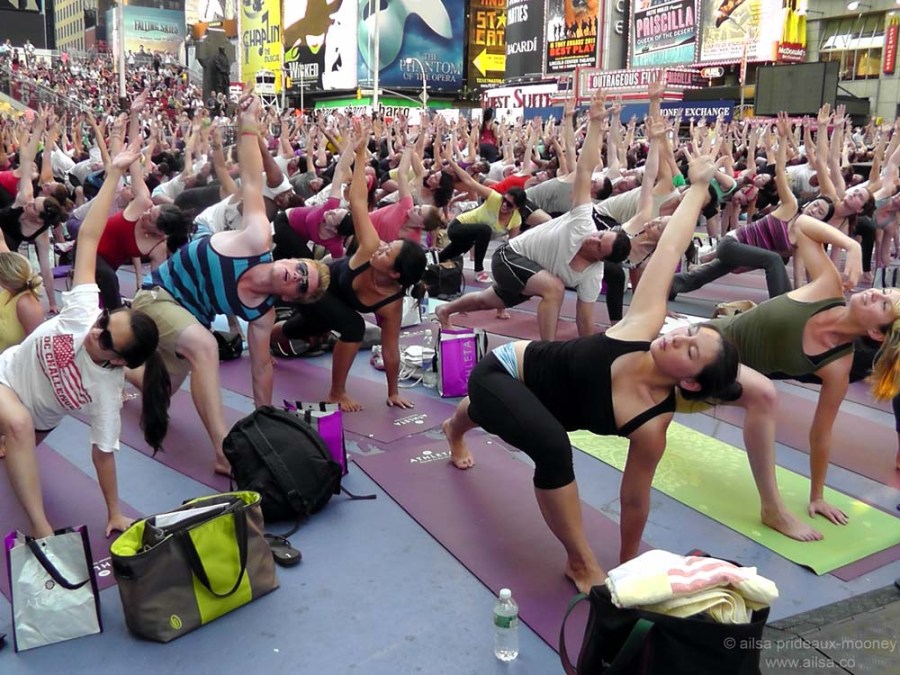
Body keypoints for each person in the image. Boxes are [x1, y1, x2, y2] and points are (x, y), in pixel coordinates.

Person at [441, 97, 742, 592]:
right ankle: (580, 562)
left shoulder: (653, 425)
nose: (676, 338)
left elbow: (634, 497)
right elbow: (670, 246)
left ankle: (456, 427)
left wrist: (629, 562)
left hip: (536, 400)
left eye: (689, 350)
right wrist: (698, 187)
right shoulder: (642, 326)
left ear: (690, 382)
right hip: (504, 370)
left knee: (506, 415)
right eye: (688, 333)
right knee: (551, 447)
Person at [130, 91, 330, 475]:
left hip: (188, 321)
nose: (296, 276)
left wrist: (266, 423)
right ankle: (223, 452)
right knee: (206, 347)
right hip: (156, 297)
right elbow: (252, 180)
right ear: (289, 259)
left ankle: (110, 364)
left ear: (292, 297)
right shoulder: (256, 240)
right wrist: (248, 123)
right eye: (300, 268)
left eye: (301, 284)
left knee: (162, 389)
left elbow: (261, 369)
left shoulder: (262, 314)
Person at [0, 141, 171, 539]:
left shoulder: (106, 391)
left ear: (118, 362)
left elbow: (103, 454)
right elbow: (90, 239)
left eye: (107, 339)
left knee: (19, 435)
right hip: (5, 378)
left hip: (38, 422)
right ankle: (42, 531)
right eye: (105, 321)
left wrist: (114, 512)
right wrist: (114, 174)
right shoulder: (82, 312)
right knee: (18, 424)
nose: (97, 331)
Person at [699, 210, 898, 526]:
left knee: (764, 398)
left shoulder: (837, 366)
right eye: (884, 292)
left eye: (883, 304)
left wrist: (817, 495)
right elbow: (802, 225)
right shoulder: (828, 287)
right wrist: (853, 246)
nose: (874, 293)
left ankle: (772, 509)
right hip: (705, 338)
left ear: (876, 332)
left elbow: (821, 434)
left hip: (721, 380)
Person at [435, 94, 636, 341]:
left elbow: (584, 318)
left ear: (601, 259)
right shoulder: (584, 221)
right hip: (510, 255)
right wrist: (594, 124)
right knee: (554, 288)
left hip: (532, 270)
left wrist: (587, 351)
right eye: (599, 235)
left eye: (598, 245)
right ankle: (544, 351)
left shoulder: (592, 276)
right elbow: (583, 169)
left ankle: (445, 309)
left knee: (487, 300)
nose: (593, 238)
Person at [271, 120, 426, 412]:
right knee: (353, 326)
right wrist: (360, 155)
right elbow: (357, 202)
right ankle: (336, 392)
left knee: (300, 329)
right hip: (314, 282)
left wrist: (393, 392)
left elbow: (391, 349)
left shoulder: (391, 304)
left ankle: (264, 344)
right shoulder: (370, 248)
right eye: (387, 245)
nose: (382, 247)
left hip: (332, 306)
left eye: (388, 252)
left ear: (395, 274)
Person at [0, 120, 66, 314]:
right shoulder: (25, 197)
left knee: (12, 265)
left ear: (39, 219)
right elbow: (27, 161)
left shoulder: (41, 233)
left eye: (33, 207)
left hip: (8, 244)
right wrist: (37, 129)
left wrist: (53, 302)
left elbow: (46, 269)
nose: (30, 203)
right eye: (34, 201)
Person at [0, 246, 43, 353]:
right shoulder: (7, 293)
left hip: (13, 360)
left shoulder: (26, 304)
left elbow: (35, 346)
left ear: (5, 280)